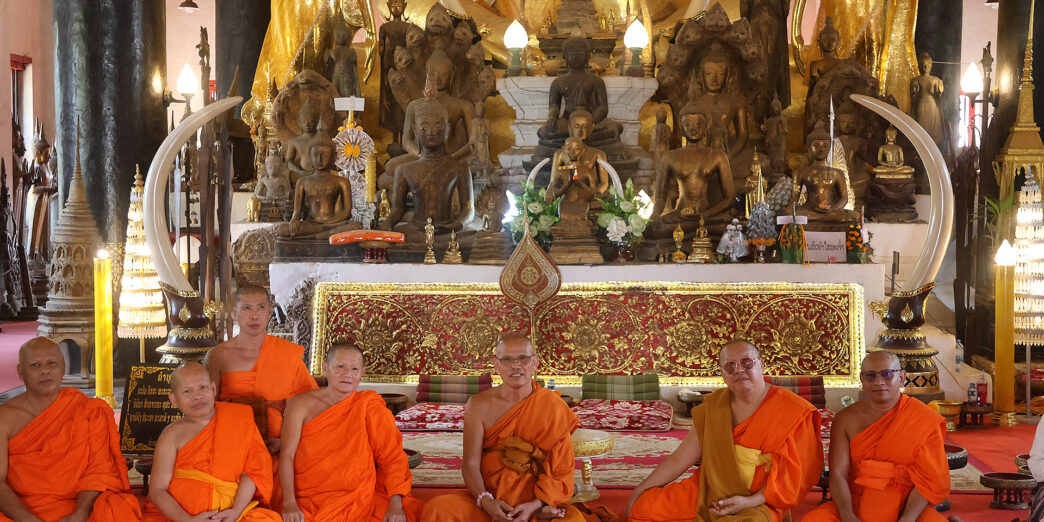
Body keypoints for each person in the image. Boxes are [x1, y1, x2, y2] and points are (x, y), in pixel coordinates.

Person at [628, 339, 822, 521]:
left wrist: (748, 501)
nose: (739, 370)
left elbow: (796, 478)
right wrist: (640, 490)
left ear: (761, 365)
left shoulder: (793, 410)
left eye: (746, 363)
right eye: (730, 366)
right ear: (722, 373)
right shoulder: (714, 406)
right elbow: (680, 459)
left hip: (760, 499)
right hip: (708, 490)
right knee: (643, 508)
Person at [421, 334, 589, 521]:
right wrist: (485, 500)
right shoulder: (478, 405)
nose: (515, 366)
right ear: (496, 363)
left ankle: (539, 512)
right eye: (507, 359)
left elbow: (562, 469)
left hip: (537, 497)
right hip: (492, 498)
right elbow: (470, 464)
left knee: (574, 520)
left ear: (535, 362)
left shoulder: (553, 406)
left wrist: (537, 504)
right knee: (437, 510)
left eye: (523, 359)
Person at [0, 338, 141, 521]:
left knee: (118, 510)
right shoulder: (4, 417)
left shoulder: (88, 409)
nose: (45, 370)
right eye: (35, 365)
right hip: (22, 508)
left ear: (63, 367)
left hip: (78, 505)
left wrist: (79, 513)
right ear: (21, 372)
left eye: (52, 363)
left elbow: (99, 470)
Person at [280, 344, 424, 521]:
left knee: (411, 516)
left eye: (354, 368)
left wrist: (396, 506)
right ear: (326, 367)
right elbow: (287, 455)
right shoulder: (300, 404)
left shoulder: (368, 406)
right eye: (340, 366)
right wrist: (289, 503)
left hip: (361, 499)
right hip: (309, 499)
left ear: (362, 372)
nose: (348, 374)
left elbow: (392, 458)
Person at [805, 351, 950, 522]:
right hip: (855, 502)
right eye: (870, 376)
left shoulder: (923, 419)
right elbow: (838, 474)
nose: (879, 382)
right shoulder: (846, 418)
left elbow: (928, 480)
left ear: (902, 378)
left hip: (906, 505)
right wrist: (847, 515)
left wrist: (907, 518)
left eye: (887, 374)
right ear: (862, 379)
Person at [144, 363, 280, 521]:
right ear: (173, 399)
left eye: (203, 387)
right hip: (180, 516)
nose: (198, 395)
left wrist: (236, 511)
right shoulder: (171, 435)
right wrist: (186, 520)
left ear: (213, 389)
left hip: (232, 513)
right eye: (187, 391)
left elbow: (252, 474)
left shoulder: (238, 420)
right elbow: (158, 490)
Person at [205, 284, 318, 449]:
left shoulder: (285, 353)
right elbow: (206, 407)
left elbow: (310, 404)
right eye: (247, 308)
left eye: (261, 308)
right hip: (231, 441)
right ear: (235, 314)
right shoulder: (217, 356)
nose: (254, 316)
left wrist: (286, 442)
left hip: (278, 443)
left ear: (269, 312)